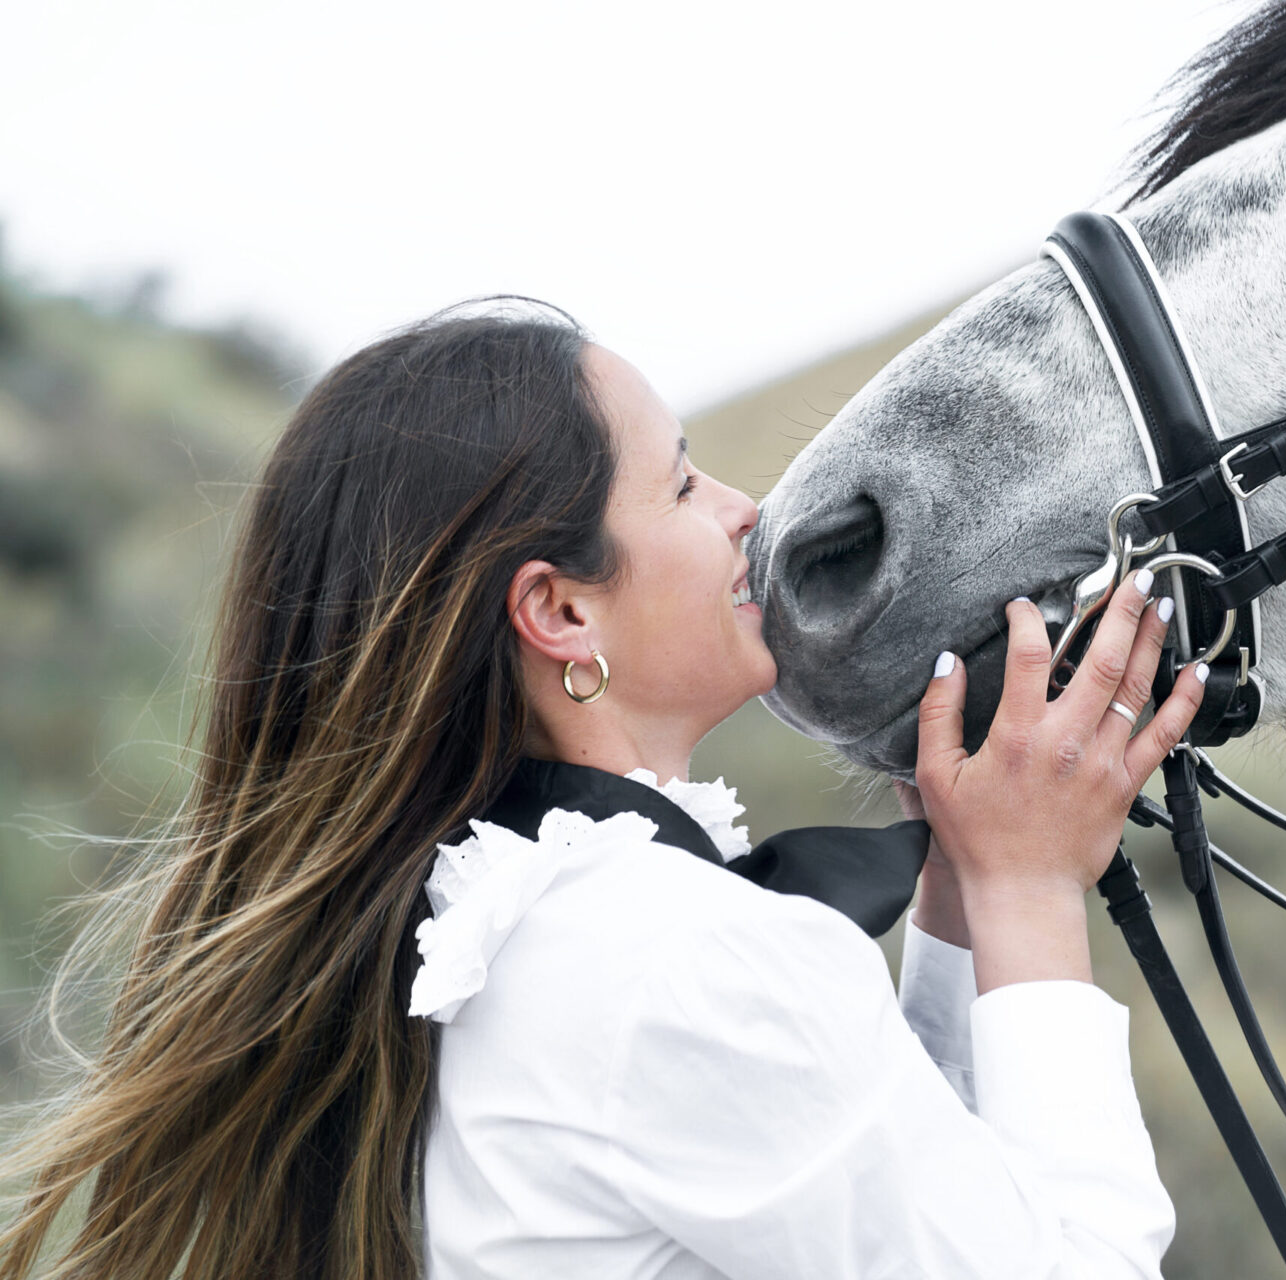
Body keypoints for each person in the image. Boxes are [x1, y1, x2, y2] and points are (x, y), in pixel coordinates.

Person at [0, 303, 1207, 1280]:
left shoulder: (494, 935)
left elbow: (913, 1203)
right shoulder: (678, 965)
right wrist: (1036, 887)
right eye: (683, 486)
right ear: (561, 610)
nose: (743, 512)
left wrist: (958, 884)